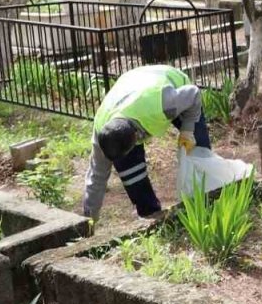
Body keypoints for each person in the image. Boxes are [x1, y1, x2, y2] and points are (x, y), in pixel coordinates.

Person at [82, 65, 211, 219]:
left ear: (137, 136)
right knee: (129, 171)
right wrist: (89, 220)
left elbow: (193, 94)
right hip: (130, 87)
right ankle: (151, 214)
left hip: (168, 85)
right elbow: (97, 175)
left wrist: (188, 129)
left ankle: (208, 196)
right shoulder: (102, 132)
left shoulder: (163, 104)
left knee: (198, 149)